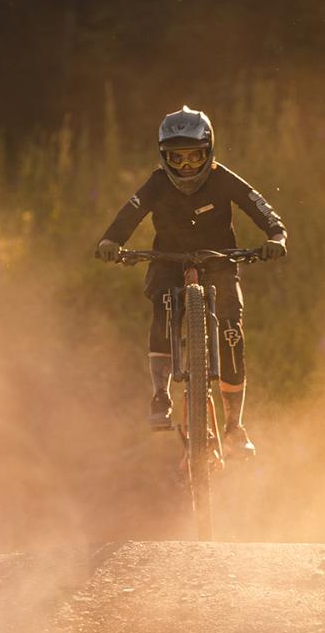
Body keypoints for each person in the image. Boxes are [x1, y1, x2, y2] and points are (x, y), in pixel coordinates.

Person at [96, 106, 287, 457]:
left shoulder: (223, 178)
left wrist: (276, 235)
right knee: (163, 306)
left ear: (209, 152)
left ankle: (234, 425)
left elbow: (257, 204)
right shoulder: (157, 183)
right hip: (168, 259)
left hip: (219, 259)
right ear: (164, 158)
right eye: (177, 159)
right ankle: (161, 395)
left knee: (231, 331)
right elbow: (130, 213)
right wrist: (111, 241)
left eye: (194, 157)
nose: (186, 167)